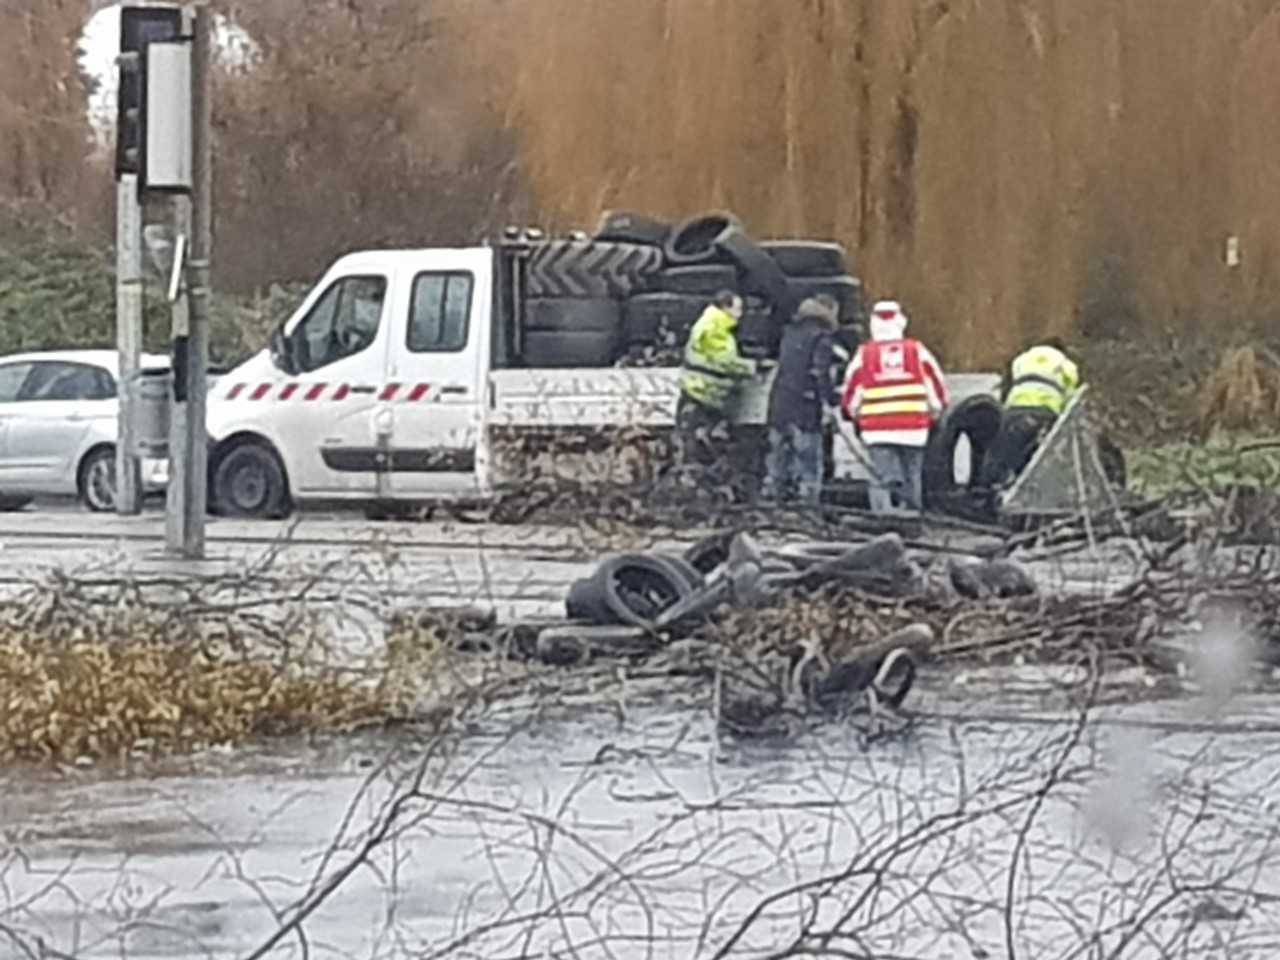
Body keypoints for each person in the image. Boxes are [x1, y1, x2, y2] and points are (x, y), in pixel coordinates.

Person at [841, 299, 948, 513]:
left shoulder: (866, 354)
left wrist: (850, 413)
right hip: (914, 426)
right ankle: (912, 515)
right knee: (912, 474)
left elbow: (852, 391)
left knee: (880, 475)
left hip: (877, 428)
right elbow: (936, 386)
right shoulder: (917, 351)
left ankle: (883, 516)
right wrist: (935, 410)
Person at [761, 294, 840, 505]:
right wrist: (832, 400)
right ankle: (807, 511)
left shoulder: (789, 333)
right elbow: (819, 372)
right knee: (809, 465)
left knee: (777, 464)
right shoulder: (821, 338)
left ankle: (772, 510)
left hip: (779, 405)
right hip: (805, 408)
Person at [675, 290, 758, 489]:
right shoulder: (715, 328)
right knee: (701, 451)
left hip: (701, 395)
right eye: (738, 308)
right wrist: (751, 366)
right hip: (703, 397)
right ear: (725, 307)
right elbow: (722, 361)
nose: (741, 313)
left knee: (697, 450)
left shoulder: (711, 324)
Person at [979, 337, 1080, 491]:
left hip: (1015, 410)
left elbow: (1007, 387)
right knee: (1042, 455)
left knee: (1005, 451)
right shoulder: (1066, 365)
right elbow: (1071, 399)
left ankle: (990, 486)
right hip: (1046, 412)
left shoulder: (1021, 360)